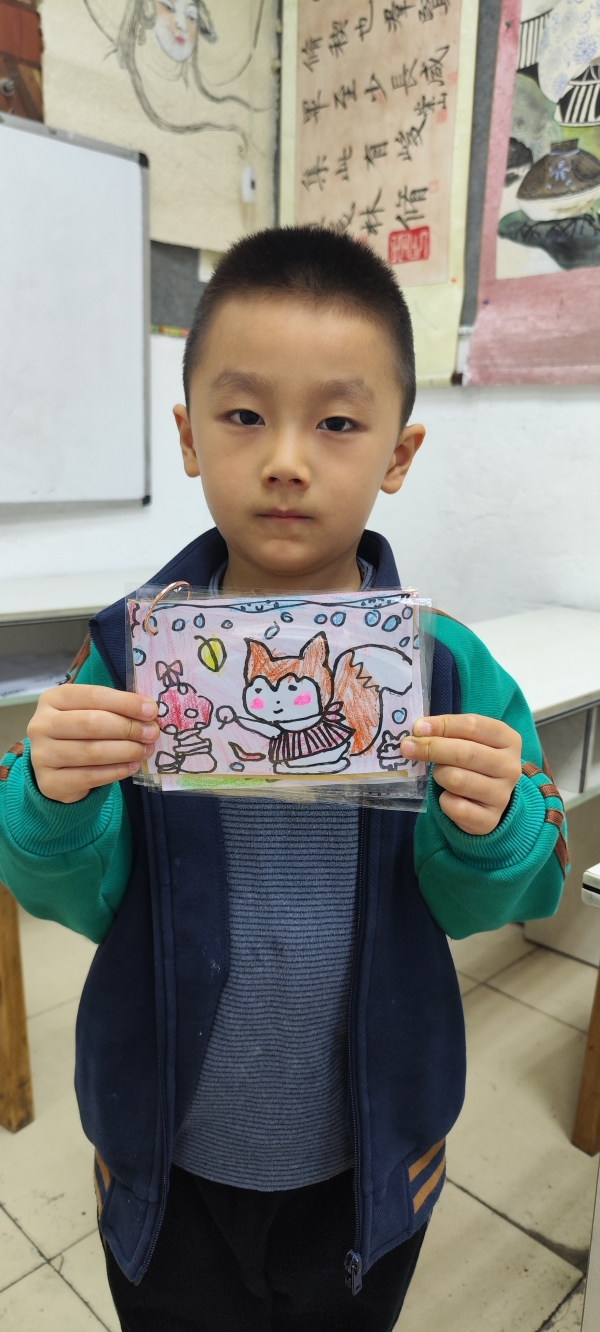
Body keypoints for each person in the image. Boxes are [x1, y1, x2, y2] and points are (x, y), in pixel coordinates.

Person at [0, 227, 568, 1332]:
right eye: (245, 415)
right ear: (189, 436)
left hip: (367, 1159)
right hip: (165, 1154)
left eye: (338, 422)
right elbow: (71, 895)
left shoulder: (448, 672)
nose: (287, 460)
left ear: (399, 453)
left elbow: (503, 894)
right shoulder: (126, 659)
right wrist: (49, 800)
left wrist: (497, 826)